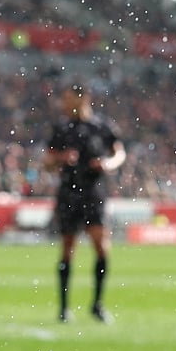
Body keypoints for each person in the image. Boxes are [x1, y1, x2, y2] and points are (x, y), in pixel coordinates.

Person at [44, 82, 127, 324]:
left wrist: (108, 164)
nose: (64, 103)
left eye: (68, 98)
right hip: (69, 192)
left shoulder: (102, 126)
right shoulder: (61, 128)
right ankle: (64, 308)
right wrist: (61, 158)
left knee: (102, 246)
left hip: (94, 192)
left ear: (82, 98)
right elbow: (47, 162)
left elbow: (119, 153)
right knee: (68, 248)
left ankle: (97, 304)